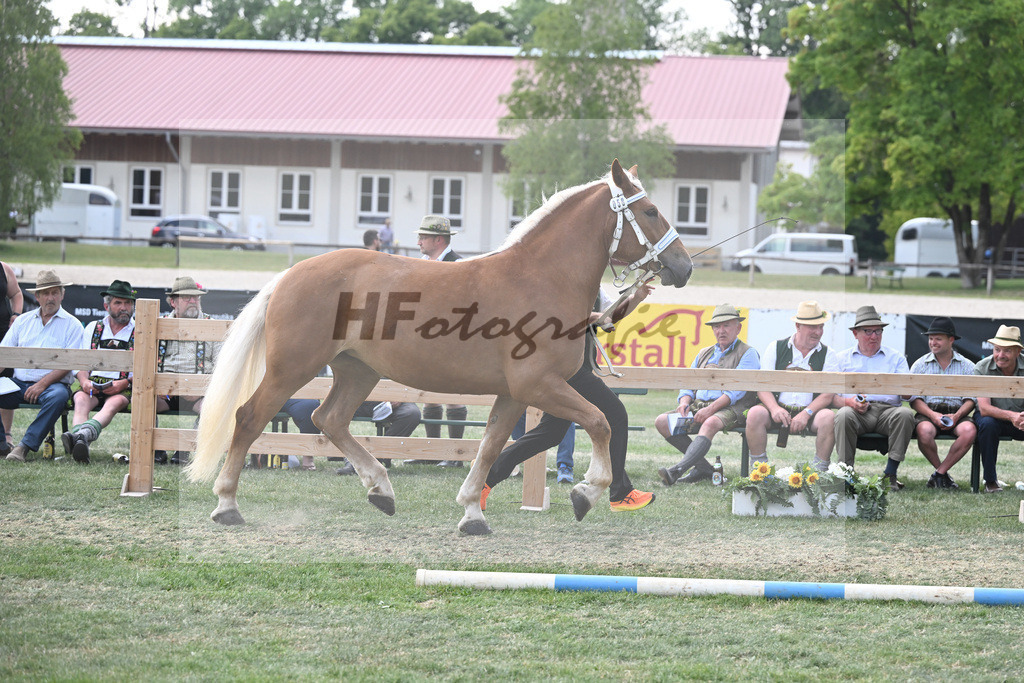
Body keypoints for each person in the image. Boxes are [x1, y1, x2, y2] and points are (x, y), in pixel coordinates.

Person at [482, 285, 657, 512]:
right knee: (615, 414)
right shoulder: (557, 282)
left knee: (549, 434)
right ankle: (620, 493)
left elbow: (610, 317)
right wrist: (591, 318)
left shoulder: (594, 288)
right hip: (567, 371)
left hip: (575, 369)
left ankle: (484, 481)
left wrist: (637, 298)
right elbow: (558, 320)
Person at [657, 304, 759, 486]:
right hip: (700, 405)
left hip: (732, 407)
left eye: (727, 325)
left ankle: (677, 470)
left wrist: (711, 410)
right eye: (717, 326)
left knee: (710, 422)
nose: (721, 331)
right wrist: (684, 401)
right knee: (662, 421)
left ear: (738, 327)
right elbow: (688, 383)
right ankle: (704, 468)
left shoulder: (748, 353)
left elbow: (736, 391)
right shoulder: (704, 352)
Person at [825, 305, 914, 490]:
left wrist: (903, 385)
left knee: (905, 414)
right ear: (855, 333)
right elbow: (831, 397)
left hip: (888, 411)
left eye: (878, 331)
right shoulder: (841, 359)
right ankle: (846, 474)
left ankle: (890, 474)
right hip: (855, 411)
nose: (874, 336)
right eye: (868, 331)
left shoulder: (896, 358)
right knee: (842, 415)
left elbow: (908, 394)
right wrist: (849, 402)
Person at [1, 270, 84, 462]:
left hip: (53, 386)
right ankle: (1, 445)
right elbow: (3, 354)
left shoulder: (73, 325)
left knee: (59, 396)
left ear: (62, 294)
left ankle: (24, 447)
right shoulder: (22, 322)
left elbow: (70, 362)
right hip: (19, 384)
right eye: (46, 293)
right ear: (37, 296)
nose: (51, 297)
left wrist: (42, 384)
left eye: (55, 292)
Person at [744, 301, 836, 471]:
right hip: (777, 409)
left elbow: (828, 394)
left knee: (829, 418)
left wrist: (806, 413)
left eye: (821, 327)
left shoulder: (828, 354)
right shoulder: (776, 347)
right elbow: (762, 385)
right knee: (755, 413)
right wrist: (774, 409)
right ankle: (759, 471)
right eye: (813, 327)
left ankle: (819, 474)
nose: (818, 332)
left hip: (812, 412)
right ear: (798, 326)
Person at [61, 280, 137, 464]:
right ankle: (82, 440)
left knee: (114, 403)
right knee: (79, 399)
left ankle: (80, 437)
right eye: (118, 303)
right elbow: (81, 363)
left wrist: (125, 383)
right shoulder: (94, 327)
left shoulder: (140, 330)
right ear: (106, 305)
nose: (124, 308)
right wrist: (84, 380)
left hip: (123, 384)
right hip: (94, 383)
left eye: (128, 303)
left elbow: (145, 365)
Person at [417, 214, 468, 467]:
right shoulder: (423, 262)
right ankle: (433, 453)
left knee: (453, 396)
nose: (418, 242)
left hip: (451, 339)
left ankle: (454, 456)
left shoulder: (457, 264)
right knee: (430, 395)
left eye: (423, 237)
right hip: (427, 338)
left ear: (438, 239)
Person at [154, 276, 222, 464]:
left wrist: (200, 389)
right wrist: (157, 387)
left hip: (199, 394)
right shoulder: (159, 325)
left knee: (211, 406)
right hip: (165, 394)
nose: (193, 301)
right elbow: (148, 363)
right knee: (141, 399)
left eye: (196, 297)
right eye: (187, 298)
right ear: (173, 302)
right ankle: (154, 449)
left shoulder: (212, 325)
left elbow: (220, 368)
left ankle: (184, 450)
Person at [908, 316, 977, 490]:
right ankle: (943, 475)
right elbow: (914, 399)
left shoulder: (967, 366)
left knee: (969, 431)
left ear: (951, 340)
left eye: (938, 338)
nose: (933, 342)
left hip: (957, 412)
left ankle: (939, 474)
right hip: (928, 412)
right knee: (924, 431)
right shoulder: (919, 365)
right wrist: (933, 415)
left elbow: (971, 399)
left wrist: (957, 415)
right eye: (931, 338)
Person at [973, 324, 1024, 493]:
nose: (1000, 355)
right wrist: (1012, 416)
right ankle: (990, 481)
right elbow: (985, 408)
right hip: (993, 417)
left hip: (1021, 418)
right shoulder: (982, 368)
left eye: (1007, 351)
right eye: (997, 349)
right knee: (987, 424)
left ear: (1018, 351)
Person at [336, 400, 422, 475]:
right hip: (358, 397)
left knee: (411, 413)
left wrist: (400, 397)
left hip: (395, 396)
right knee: (334, 410)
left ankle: (377, 459)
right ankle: (351, 460)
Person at [0, 260, 25, 451]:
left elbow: (16, 293)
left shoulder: (4, 268)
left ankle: (6, 435)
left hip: (3, 335)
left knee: (4, 385)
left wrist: (16, 314)